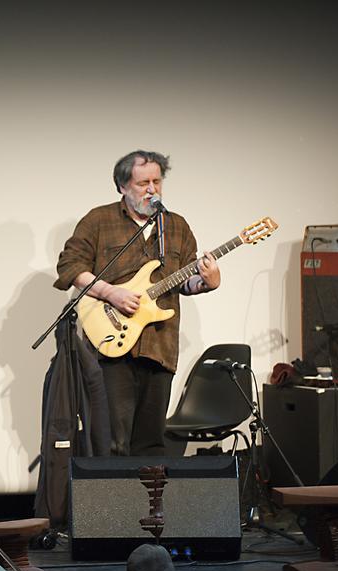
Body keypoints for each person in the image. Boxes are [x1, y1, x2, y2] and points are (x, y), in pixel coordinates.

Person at [54, 150, 220, 456]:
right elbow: (70, 266)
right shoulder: (99, 220)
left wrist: (206, 282)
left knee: (152, 443)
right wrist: (110, 293)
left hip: (160, 346)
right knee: (113, 442)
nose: (152, 189)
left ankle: (149, 490)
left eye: (157, 181)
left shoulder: (177, 227)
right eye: (143, 183)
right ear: (122, 186)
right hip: (110, 346)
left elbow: (185, 281)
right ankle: (115, 490)